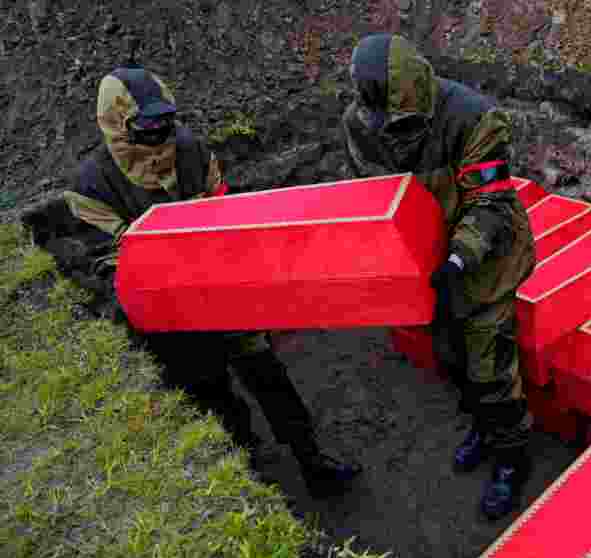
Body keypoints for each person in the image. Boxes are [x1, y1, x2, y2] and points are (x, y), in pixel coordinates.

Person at [29, 64, 359, 499]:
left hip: (223, 288)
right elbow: (106, 262)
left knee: (268, 374)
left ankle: (311, 459)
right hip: (169, 309)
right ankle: (248, 472)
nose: (162, 132)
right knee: (211, 392)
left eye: (166, 120)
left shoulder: (191, 149)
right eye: (148, 126)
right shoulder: (90, 186)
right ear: (118, 125)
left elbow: (224, 206)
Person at [341, 33, 537, 520]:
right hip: (421, 260)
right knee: (451, 357)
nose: (392, 132)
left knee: (490, 367)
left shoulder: (474, 116)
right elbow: (372, 195)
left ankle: (512, 457)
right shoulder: (357, 125)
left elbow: (488, 203)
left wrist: (456, 261)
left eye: (402, 123)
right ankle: (481, 426)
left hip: (483, 258)